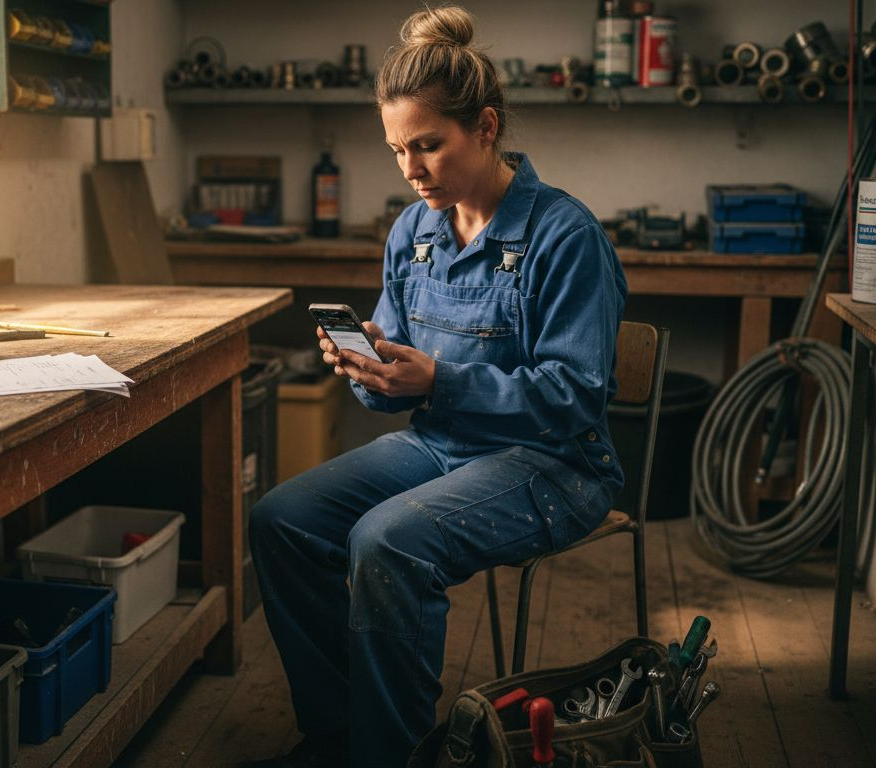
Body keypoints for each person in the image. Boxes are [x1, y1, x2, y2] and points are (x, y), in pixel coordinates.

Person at [246, 6, 628, 766]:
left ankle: (392, 753)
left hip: (555, 463)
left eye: (428, 145)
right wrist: (371, 368)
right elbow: (398, 387)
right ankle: (340, 734)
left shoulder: (564, 236)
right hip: (443, 446)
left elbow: (576, 395)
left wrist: (441, 379)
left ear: (485, 128)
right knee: (281, 519)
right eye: (397, 150)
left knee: (387, 541)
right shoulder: (413, 232)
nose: (412, 169)